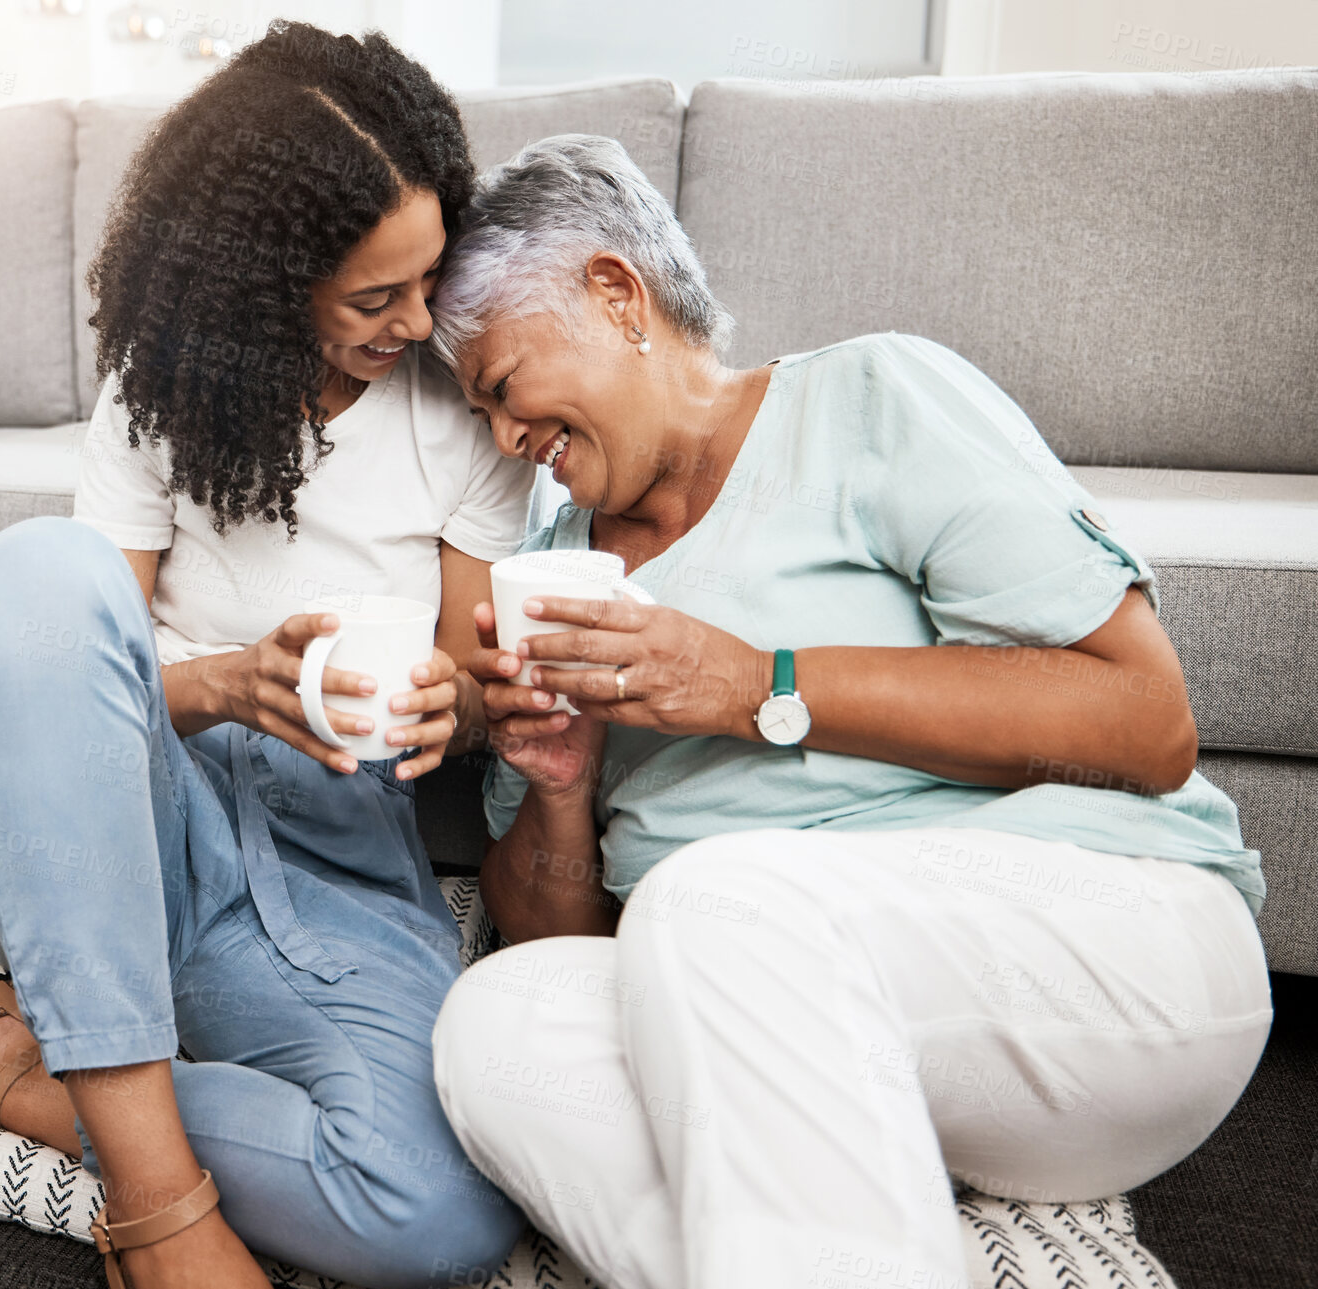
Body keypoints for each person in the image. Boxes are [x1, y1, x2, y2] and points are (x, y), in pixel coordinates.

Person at [424, 134, 1272, 1289]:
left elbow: (1146, 717)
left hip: (1101, 948)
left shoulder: (873, 398)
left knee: (712, 895)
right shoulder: (554, 573)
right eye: (479, 415)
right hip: (803, 1034)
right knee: (497, 1023)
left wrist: (752, 684)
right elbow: (569, 946)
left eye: (504, 388)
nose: (505, 440)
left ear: (616, 294)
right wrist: (564, 788)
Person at [0, 24, 531, 1289]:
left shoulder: (463, 406)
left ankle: (26, 1069)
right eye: (372, 297)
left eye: (429, 278)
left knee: (437, 1211)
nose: (417, 321)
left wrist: (461, 705)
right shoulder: (158, 387)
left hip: (342, 869)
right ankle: (158, 1203)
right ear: (266, 279)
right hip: (112, 841)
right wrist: (229, 683)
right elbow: (74, 656)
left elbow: (471, 687)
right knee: (34, 569)